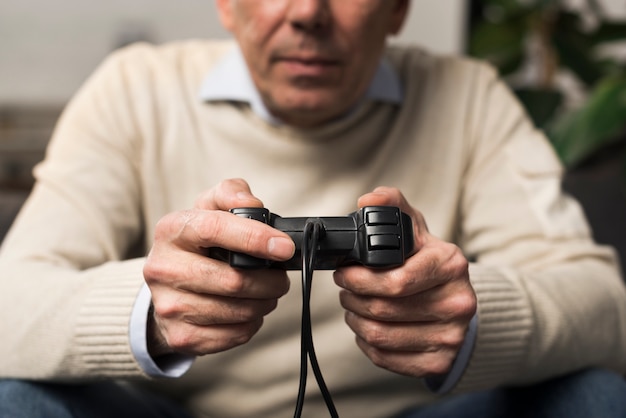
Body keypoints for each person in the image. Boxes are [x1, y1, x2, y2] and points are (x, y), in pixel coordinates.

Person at [1, 1, 625, 417]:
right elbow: (10, 305)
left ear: (399, 9)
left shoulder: (470, 98)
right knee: (16, 399)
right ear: (225, 3)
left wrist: (469, 321)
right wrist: (149, 313)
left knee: (596, 396)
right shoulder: (133, 90)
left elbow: (606, 307)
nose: (308, 14)